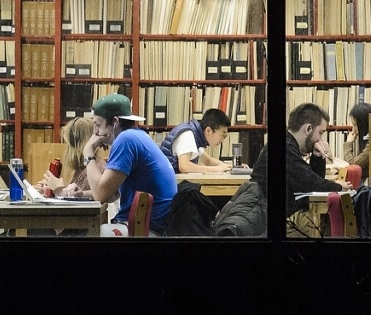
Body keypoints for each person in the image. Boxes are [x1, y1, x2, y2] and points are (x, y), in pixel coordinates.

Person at [83, 93, 177, 236]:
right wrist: (81, 194)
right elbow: (111, 193)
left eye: (98, 125)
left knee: (79, 235)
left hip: (143, 229)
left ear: (115, 122)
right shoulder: (138, 135)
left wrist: (88, 152)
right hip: (154, 225)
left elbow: (100, 195)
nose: (95, 133)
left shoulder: (125, 140)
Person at [283, 103, 353, 237]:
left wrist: (317, 157)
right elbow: (312, 183)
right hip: (278, 221)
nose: (320, 139)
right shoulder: (286, 149)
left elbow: (311, 181)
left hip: (286, 213)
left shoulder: (289, 145)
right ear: (308, 128)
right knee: (322, 227)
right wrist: (339, 186)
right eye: (320, 133)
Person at [159, 107, 233, 173]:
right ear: (208, 131)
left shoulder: (196, 136)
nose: (222, 140)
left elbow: (208, 160)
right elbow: (184, 166)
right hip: (164, 183)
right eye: (223, 135)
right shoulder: (188, 134)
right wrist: (216, 169)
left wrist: (229, 166)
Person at [39, 116, 97, 199]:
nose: (66, 149)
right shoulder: (81, 168)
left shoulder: (95, 167)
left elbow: (98, 196)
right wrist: (50, 191)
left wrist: (59, 188)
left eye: (67, 144)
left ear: (76, 144)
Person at [342, 102, 371, 169]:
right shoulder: (367, 138)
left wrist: (348, 143)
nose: (353, 129)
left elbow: (352, 165)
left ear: (364, 125)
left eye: (355, 125)